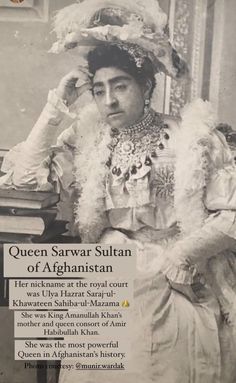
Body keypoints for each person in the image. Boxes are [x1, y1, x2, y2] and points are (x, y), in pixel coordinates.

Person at [1, 1, 236, 382]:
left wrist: (181, 255)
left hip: (174, 274)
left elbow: (232, 215)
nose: (109, 100)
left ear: (145, 86)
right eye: (99, 90)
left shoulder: (190, 138)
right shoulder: (90, 137)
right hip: (107, 275)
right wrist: (57, 105)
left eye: (120, 85)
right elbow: (25, 178)